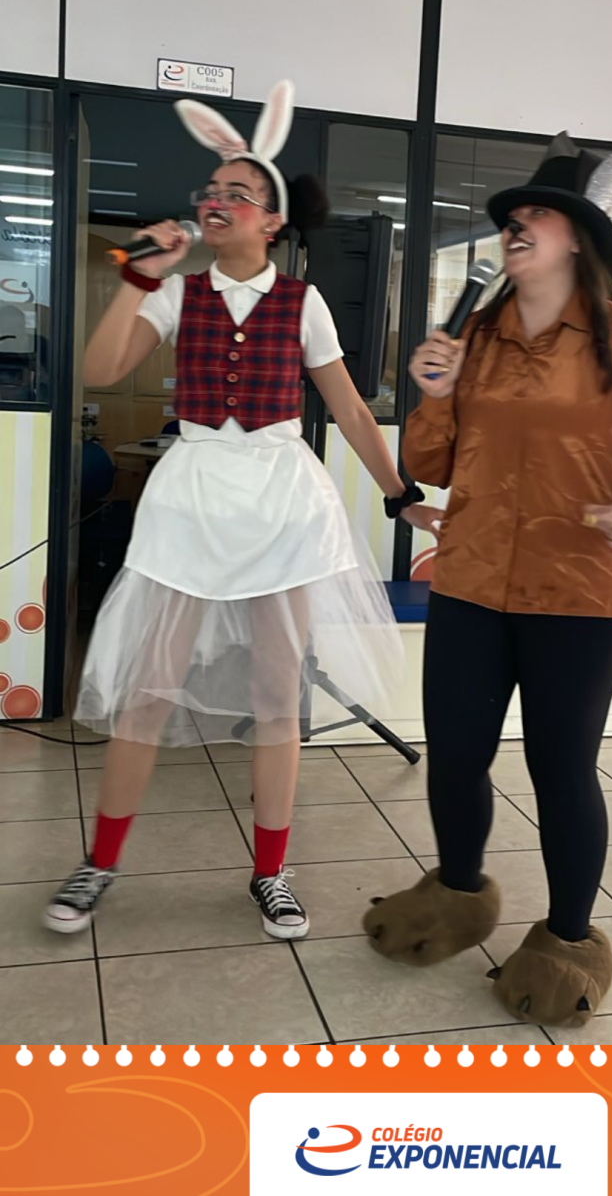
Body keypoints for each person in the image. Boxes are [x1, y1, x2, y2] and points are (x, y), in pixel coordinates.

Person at [45, 81, 440, 941]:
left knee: (275, 693)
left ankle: (270, 871)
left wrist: (399, 494)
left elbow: (348, 407)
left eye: (238, 191)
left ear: (273, 220)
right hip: (191, 501)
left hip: (279, 503)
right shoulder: (174, 292)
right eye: (211, 189)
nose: (216, 200)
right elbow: (101, 369)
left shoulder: (303, 303)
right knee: (148, 688)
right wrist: (136, 274)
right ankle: (99, 861)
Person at [363, 132, 612, 1027]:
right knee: (455, 756)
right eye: (511, 217)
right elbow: (432, 463)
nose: (515, 227)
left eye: (536, 216)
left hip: (583, 594)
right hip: (472, 582)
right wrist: (432, 390)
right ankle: (457, 894)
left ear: (579, 239)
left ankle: (567, 941)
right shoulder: (473, 337)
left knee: (562, 769)